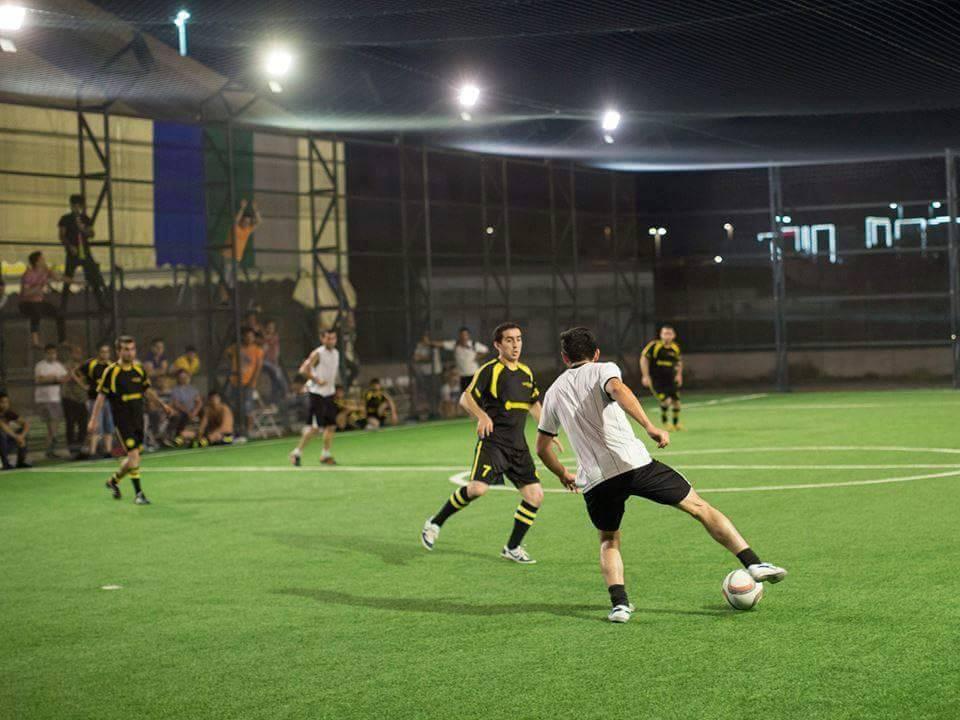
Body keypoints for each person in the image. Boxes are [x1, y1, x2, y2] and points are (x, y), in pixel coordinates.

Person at [534, 327, 787, 624]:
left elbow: (542, 448)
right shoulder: (604, 369)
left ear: (565, 357)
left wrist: (563, 474)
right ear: (597, 353)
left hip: (596, 479)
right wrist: (650, 426)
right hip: (635, 465)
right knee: (700, 508)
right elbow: (619, 390)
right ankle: (753, 563)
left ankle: (620, 605)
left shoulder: (553, 393)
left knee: (609, 539)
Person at [420, 323, 561, 564]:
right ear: (498, 344)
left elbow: (534, 404)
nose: (515, 345)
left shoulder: (526, 373)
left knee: (535, 495)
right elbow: (465, 398)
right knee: (477, 489)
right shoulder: (490, 370)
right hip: (494, 444)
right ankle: (434, 523)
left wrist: (548, 429)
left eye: (518, 339)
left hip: (518, 447)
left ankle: (512, 548)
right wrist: (482, 416)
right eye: (509, 340)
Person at [87, 335, 174, 505]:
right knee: (133, 454)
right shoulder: (111, 371)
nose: (130, 352)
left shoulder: (139, 370)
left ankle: (113, 481)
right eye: (126, 349)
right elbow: (101, 396)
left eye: (132, 349)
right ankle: (139, 494)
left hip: (138, 419)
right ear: (118, 351)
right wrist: (93, 419)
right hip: (122, 421)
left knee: (134, 458)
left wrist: (162, 405)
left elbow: (147, 391)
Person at [290, 329, 339, 466]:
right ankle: (296, 453)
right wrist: (317, 380)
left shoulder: (336, 353)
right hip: (317, 394)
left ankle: (325, 454)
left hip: (329, 394)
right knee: (315, 428)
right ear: (322, 339)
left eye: (333, 338)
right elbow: (303, 369)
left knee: (331, 426)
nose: (331, 341)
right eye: (328, 338)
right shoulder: (318, 353)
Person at [58, 194, 108, 311]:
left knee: (93, 277)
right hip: (72, 253)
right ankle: (63, 307)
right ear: (71, 206)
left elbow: (91, 234)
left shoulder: (85, 219)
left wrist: (82, 229)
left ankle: (101, 304)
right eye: (74, 206)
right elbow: (61, 235)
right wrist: (70, 246)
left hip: (85, 252)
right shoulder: (65, 219)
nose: (77, 208)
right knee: (67, 279)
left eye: (79, 206)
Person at [640, 324, 684, 431]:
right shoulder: (654, 346)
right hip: (657, 380)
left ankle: (675, 424)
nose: (667, 336)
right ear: (661, 335)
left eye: (669, 333)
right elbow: (644, 359)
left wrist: (679, 375)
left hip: (671, 380)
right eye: (665, 333)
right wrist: (645, 376)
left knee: (677, 403)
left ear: (674, 335)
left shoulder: (675, 347)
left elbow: (679, 362)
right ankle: (665, 423)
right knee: (666, 401)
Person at [19, 251, 67, 348]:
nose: (44, 260)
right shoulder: (28, 274)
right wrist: (39, 286)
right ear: (37, 262)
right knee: (35, 312)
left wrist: (74, 281)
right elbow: (25, 293)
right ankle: (35, 342)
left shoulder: (44, 272)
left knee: (60, 314)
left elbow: (58, 278)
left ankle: (62, 341)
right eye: (42, 259)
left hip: (39, 302)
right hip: (26, 303)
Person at [219, 199, 261, 304]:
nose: (246, 224)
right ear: (242, 221)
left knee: (231, 281)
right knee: (226, 279)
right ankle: (223, 299)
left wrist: (255, 210)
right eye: (245, 221)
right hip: (228, 257)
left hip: (237, 258)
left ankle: (226, 300)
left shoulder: (247, 230)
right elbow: (235, 220)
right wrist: (242, 209)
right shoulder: (235, 228)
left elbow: (259, 222)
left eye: (248, 222)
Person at [225, 326, 264, 436]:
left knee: (247, 407)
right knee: (233, 405)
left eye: (251, 336)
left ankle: (249, 430)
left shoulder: (257, 350)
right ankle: (236, 428)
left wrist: (253, 381)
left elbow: (258, 367)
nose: (249, 338)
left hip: (248, 382)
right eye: (246, 336)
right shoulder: (236, 347)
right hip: (235, 381)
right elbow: (227, 354)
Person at [81, 343, 115, 459]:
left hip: (107, 400)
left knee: (108, 426)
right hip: (94, 400)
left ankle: (108, 452)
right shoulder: (91, 364)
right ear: (98, 353)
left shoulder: (111, 365)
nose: (105, 354)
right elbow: (76, 372)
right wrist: (84, 386)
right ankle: (92, 452)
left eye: (107, 352)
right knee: (95, 426)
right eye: (103, 352)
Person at [34, 343, 68, 458]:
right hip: (43, 399)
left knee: (54, 425)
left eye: (54, 353)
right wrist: (53, 377)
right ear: (45, 354)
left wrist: (53, 378)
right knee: (50, 426)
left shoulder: (59, 365)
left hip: (56, 399)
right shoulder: (40, 365)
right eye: (49, 353)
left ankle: (50, 449)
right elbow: (39, 379)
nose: (52, 355)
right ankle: (49, 450)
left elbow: (64, 378)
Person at [431, 327, 490, 393]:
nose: (463, 337)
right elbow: (442, 344)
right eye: (462, 335)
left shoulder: (474, 344)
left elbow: (486, 350)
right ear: (459, 336)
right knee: (464, 394)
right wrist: (429, 342)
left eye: (465, 335)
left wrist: (478, 357)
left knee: (474, 394)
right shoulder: (455, 344)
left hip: (473, 374)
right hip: (462, 375)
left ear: (468, 335)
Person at [61, 342, 89, 457]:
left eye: (80, 352)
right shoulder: (66, 365)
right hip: (69, 398)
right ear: (71, 354)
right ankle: (72, 450)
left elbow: (86, 379)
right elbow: (65, 379)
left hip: (82, 399)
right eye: (76, 352)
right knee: (70, 424)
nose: (78, 354)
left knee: (84, 425)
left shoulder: (84, 365)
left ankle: (79, 447)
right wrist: (72, 372)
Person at [164, 369, 202, 445]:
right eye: (181, 377)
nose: (183, 379)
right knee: (179, 416)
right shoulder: (175, 390)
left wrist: (195, 412)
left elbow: (199, 402)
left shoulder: (192, 389)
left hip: (193, 411)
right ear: (178, 379)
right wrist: (188, 413)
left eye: (185, 377)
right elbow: (176, 404)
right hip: (182, 412)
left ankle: (202, 435)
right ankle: (176, 437)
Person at [0, 392, 31, 470]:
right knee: (1, 434)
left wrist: (22, 435)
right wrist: (17, 437)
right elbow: (3, 426)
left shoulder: (8, 413)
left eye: (7, 402)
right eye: (2, 402)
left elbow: (25, 424)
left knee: (21, 431)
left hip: (6, 441)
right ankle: (5, 463)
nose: (5, 405)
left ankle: (20, 462)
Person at [261, 319, 288, 403]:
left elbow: (275, 349)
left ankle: (275, 398)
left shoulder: (274, 337)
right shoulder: (262, 337)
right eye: (269, 327)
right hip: (264, 361)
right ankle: (285, 393)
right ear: (265, 328)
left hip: (273, 361)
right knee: (277, 374)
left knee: (276, 379)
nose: (270, 329)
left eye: (272, 328)